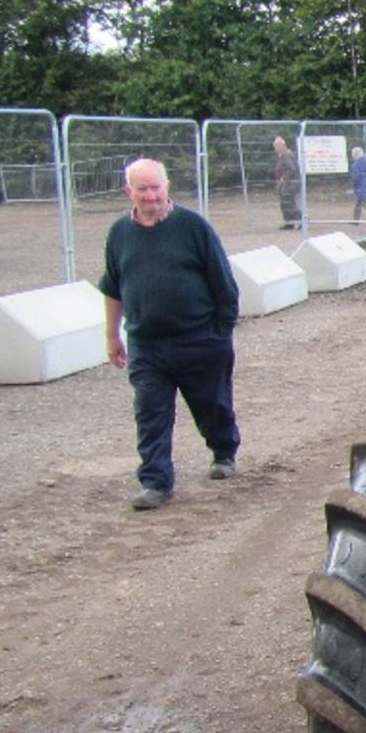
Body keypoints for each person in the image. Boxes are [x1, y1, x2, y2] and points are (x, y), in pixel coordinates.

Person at [99, 158, 243, 511]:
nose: (150, 196)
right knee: (150, 414)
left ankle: (223, 451)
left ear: (168, 187)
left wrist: (219, 333)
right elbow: (113, 286)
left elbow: (224, 285)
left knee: (212, 405)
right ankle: (155, 481)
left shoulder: (193, 227)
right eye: (142, 189)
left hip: (199, 340)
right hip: (147, 345)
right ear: (128, 191)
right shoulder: (119, 233)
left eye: (156, 187)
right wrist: (112, 334)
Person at [273, 135, 302, 228]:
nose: (275, 148)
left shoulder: (286, 155)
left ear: (283, 145)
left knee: (288, 202)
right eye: (275, 145)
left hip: (290, 184)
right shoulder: (283, 155)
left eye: (277, 145)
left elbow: (291, 169)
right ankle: (289, 223)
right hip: (286, 184)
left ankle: (302, 220)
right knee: (284, 203)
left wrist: (283, 179)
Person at [349, 145, 366, 223]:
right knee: (359, 204)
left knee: (364, 204)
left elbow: (356, 177)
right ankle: (356, 221)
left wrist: (354, 186)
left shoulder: (355, 165)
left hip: (360, 187)